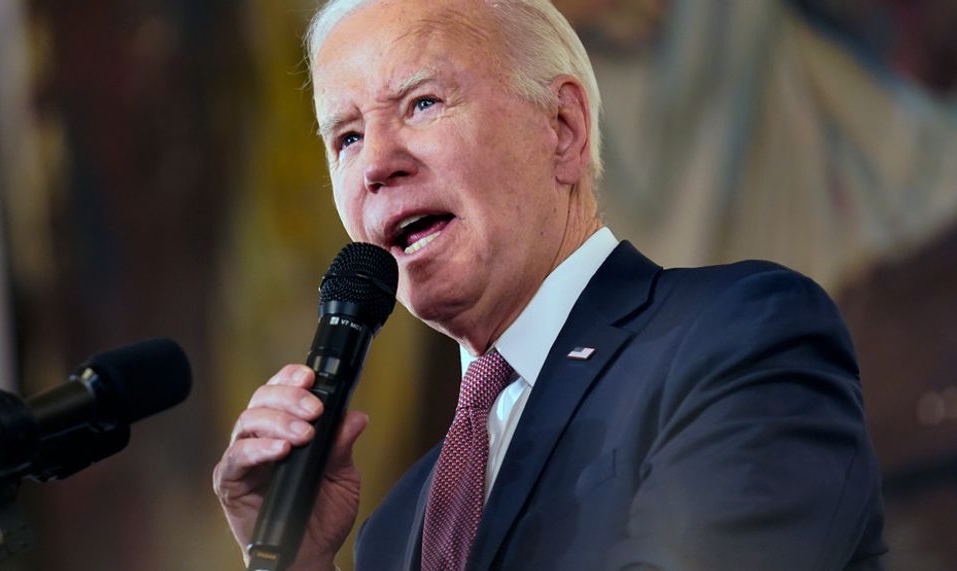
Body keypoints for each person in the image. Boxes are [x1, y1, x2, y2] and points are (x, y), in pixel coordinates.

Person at [212, 0, 886, 569]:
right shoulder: (397, 528)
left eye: (421, 102)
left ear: (562, 129)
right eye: (347, 137)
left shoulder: (735, 337)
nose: (376, 165)